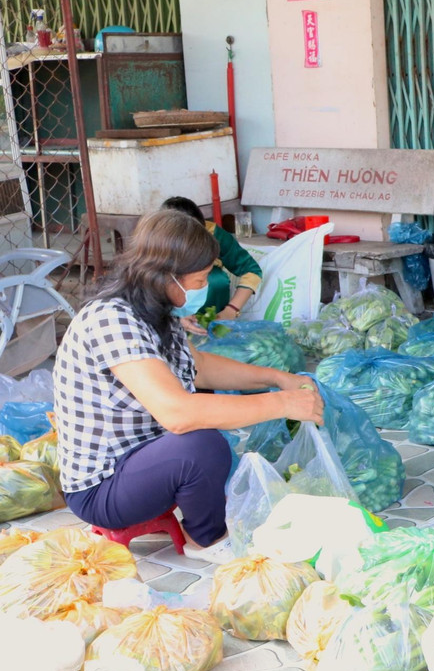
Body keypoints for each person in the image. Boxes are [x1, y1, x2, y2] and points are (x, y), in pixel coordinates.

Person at [53, 211, 324, 564]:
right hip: (101, 488)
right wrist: (281, 404)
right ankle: (207, 539)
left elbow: (200, 368)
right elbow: (177, 415)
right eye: (198, 280)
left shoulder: (155, 309)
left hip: (140, 461)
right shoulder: (112, 319)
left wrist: (276, 378)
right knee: (201, 444)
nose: (202, 288)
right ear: (167, 276)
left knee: (214, 438)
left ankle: (201, 517)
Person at [161, 196, 262, 325]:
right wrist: (175, 318)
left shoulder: (213, 234)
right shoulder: (154, 245)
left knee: (216, 280)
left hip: (213, 315)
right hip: (166, 315)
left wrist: (232, 310)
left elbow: (251, 269)